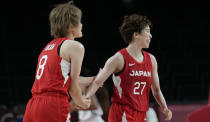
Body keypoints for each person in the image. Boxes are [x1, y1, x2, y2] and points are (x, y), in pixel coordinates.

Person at [85, 13, 172, 122]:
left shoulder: (151, 60)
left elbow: (156, 89)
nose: (150, 36)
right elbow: (98, 81)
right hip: (122, 112)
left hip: (141, 113)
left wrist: (164, 107)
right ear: (136, 35)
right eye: (147, 31)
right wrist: (86, 97)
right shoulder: (118, 59)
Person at [23, 1, 93, 122]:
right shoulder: (75, 46)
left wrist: (93, 79)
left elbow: (62, 79)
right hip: (53, 105)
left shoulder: (47, 47)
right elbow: (72, 85)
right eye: (80, 22)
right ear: (71, 26)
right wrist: (81, 102)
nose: (82, 25)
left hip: (34, 105)